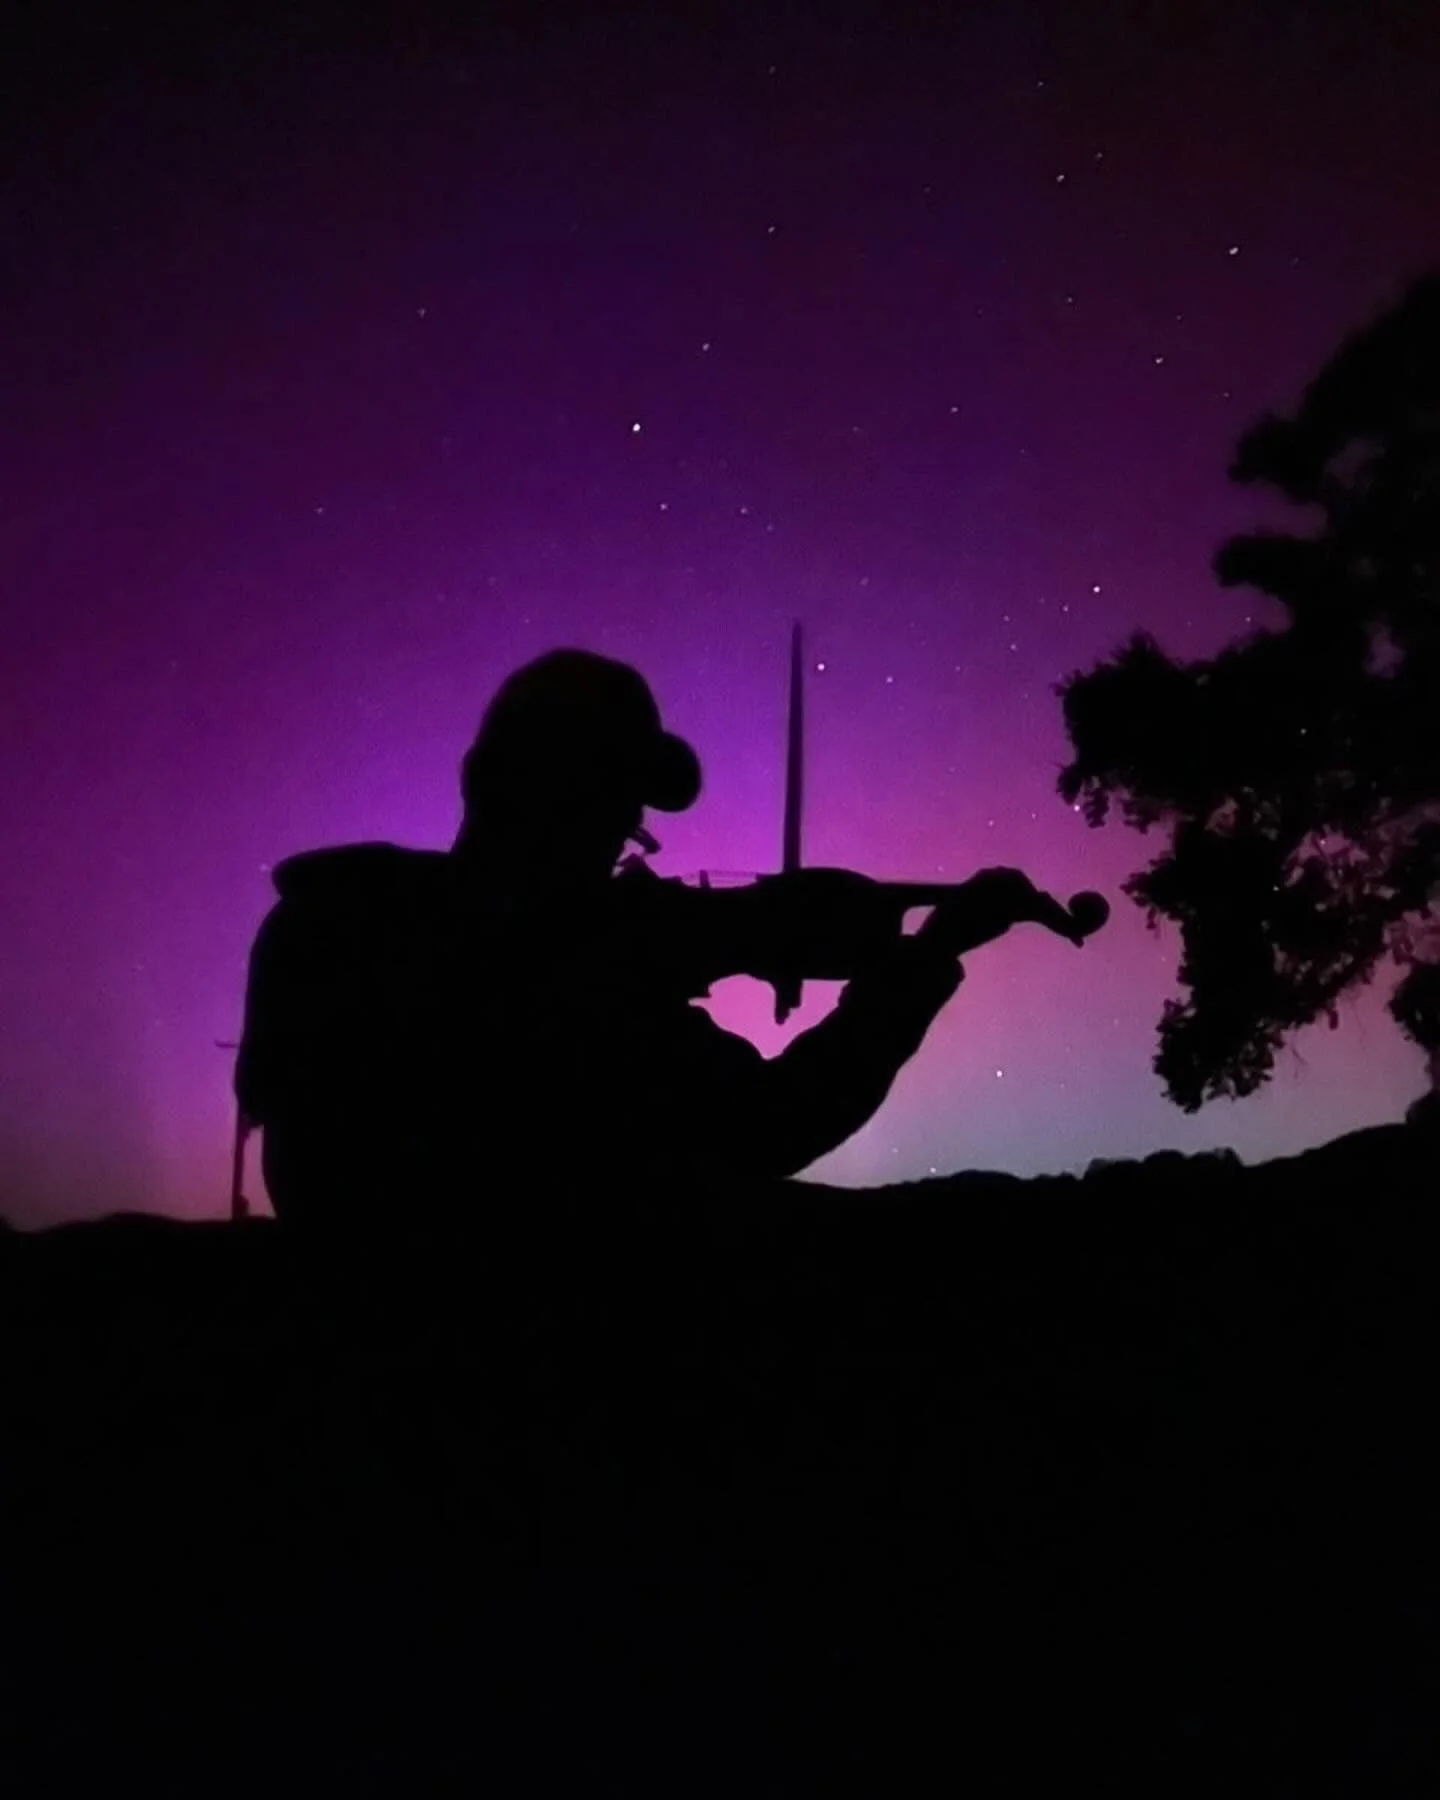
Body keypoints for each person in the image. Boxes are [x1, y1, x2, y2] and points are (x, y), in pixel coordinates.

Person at [233, 648, 1010, 1235]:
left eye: (623, 826)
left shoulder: (322, 918)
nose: (613, 852)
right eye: (595, 810)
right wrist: (921, 965)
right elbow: (774, 1121)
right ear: (493, 787)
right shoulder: (562, 979)